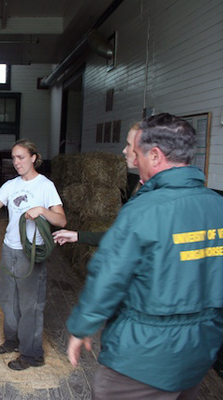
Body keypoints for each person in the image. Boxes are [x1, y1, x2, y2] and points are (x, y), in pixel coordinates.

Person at [66, 113, 223, 399]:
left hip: (141, 359)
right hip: (198, 354)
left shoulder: (144, 210)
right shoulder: (217, 206)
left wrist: (81, 327)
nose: (131, 156)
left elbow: (108, 276)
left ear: (155, 155)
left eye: (136, 152)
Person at [0, 139, 66, 371]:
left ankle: (32, 354)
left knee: (30, 305)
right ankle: (12, 340)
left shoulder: (45, 186)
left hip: (31, 251)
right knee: (8, 299)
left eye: (21, 157)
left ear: (34, 158)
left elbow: (61, 219)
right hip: (10, 249)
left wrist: (42, 211)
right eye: (14, 158)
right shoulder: (10, 185)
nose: (16, 162)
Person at [53, 123, 140, 247]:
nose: (124, 150)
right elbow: (123, 237)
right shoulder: (141, 189)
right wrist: (77, 236)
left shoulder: (156, 196)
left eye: (129, 145)